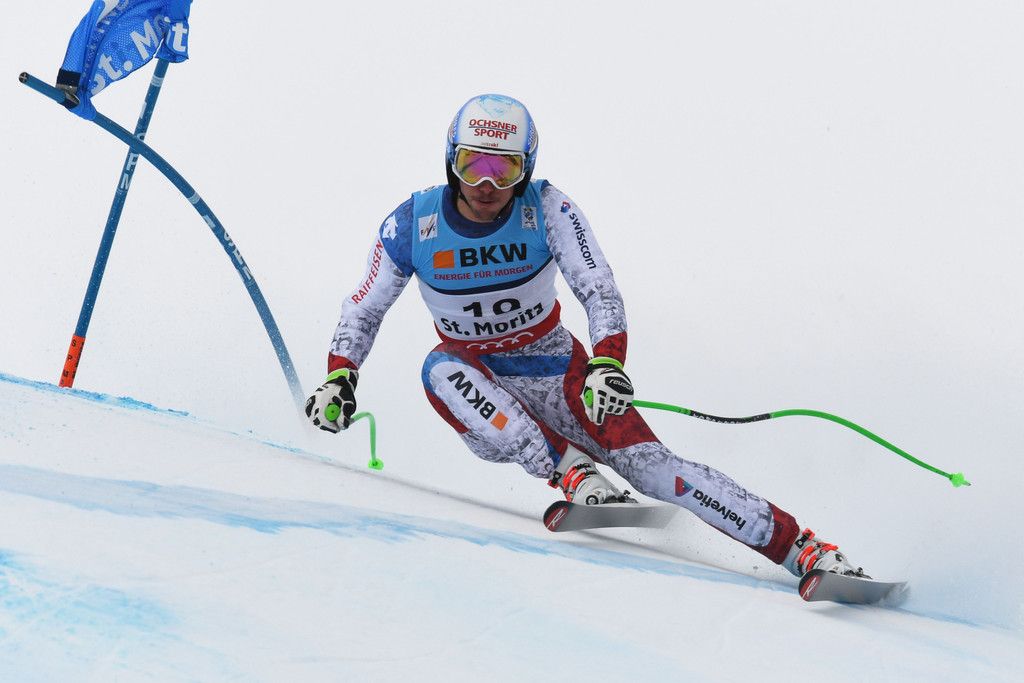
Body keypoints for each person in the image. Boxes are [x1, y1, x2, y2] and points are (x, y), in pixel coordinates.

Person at [305, 93, 866, 581]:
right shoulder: (412, 223)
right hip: (480, 390)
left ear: (527, 168)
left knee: (655, 470)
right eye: (472, 164)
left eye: (504, 168)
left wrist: (608, 365)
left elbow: (598, 290)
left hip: (563, 378)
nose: (486, 184)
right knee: (440, 366)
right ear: (450, 160)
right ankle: (571, 472)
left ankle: (804, 550)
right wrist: (339, 379)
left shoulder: (548, 207)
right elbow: (364, 309)